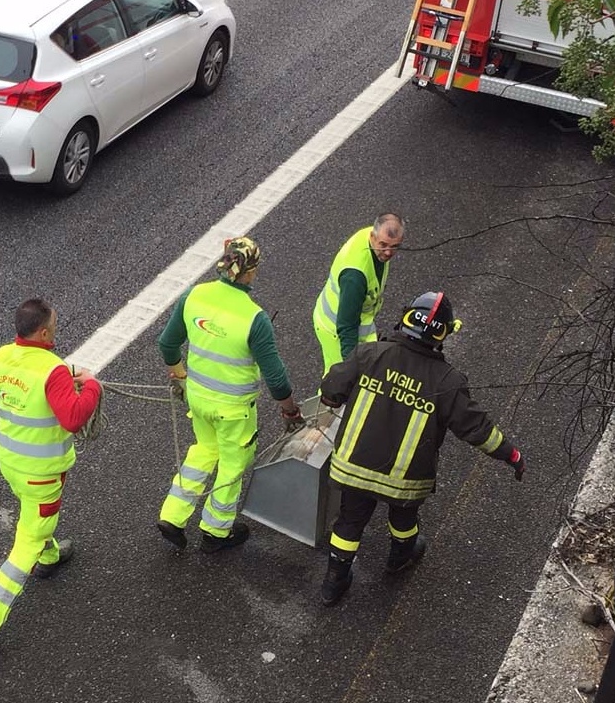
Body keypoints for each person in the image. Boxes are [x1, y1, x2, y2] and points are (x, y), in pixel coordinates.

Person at [317, 291, 526, 606]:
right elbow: (478, 430)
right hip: (405, 481)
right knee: (403, 519)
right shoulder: (448, 381)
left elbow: (331, 392)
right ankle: (401, 555)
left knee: (349, 521)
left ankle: (334, 582)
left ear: (404, 320)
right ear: (442, 335)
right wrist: (512, 455)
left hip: (353, 468)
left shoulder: (370, 353)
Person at [0, 298, 102, 656]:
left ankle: (51, 556)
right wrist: (92, 387)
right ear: (44, 331)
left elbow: (35, 373)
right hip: (41, 472)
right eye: (54, 324)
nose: (57, 328)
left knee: (35, 517)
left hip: (10, 462)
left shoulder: (0, 357)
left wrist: (66, 372)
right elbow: (73, 418)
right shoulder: (53, 370)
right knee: (28, 539)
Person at [157, 236, 301, 553]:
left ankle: (173, 515)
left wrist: (179, 376)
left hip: (198, 399)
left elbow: (167, 344)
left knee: (204, 451)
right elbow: (276, 379)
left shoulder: (195, 296)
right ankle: (216, 530)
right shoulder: (254, 318)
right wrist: (290, 410)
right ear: (251, 271)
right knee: (233, 464)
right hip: (234, 411)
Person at [313, 212, 406, 374]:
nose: (388, 252)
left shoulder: (376, 239)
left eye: (394, 246)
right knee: (337, 381)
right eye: (383, 245)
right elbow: (347, 326)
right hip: (334, 328)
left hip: (351, 319)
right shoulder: (355, 276)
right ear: (372, 236)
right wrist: (351, 365)